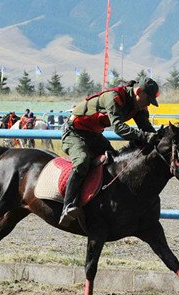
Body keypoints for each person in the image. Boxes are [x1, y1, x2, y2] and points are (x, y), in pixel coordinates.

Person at [59, 77, 160, 226]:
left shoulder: (138, 105)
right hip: (74, 132)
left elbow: (146, 128)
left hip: (94, 134)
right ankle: (67, 206)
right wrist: (146, 136)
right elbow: (119, 128)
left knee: (115, 162)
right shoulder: (113, 97)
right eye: (148, 100)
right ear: (138, 91)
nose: (148, 104)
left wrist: (160, 137)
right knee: (82, 161)